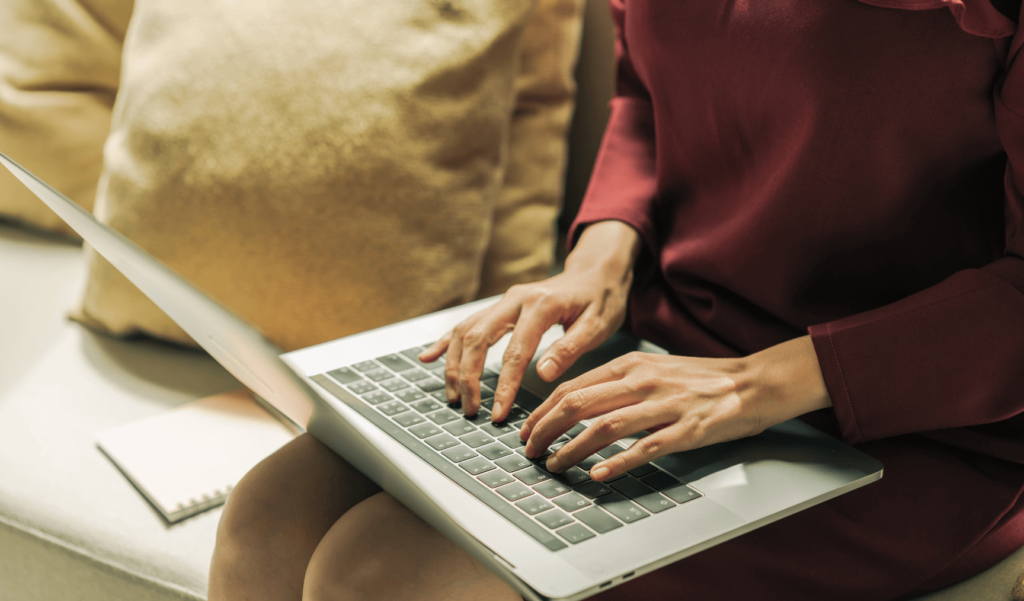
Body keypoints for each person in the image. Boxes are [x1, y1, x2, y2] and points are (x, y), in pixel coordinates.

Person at [209, 1, 1024, 600]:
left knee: (380, 577)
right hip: (665, 355)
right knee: (268, 514)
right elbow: (643, 86)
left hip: (911, 427)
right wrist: (602, 249)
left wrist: (750, 385)